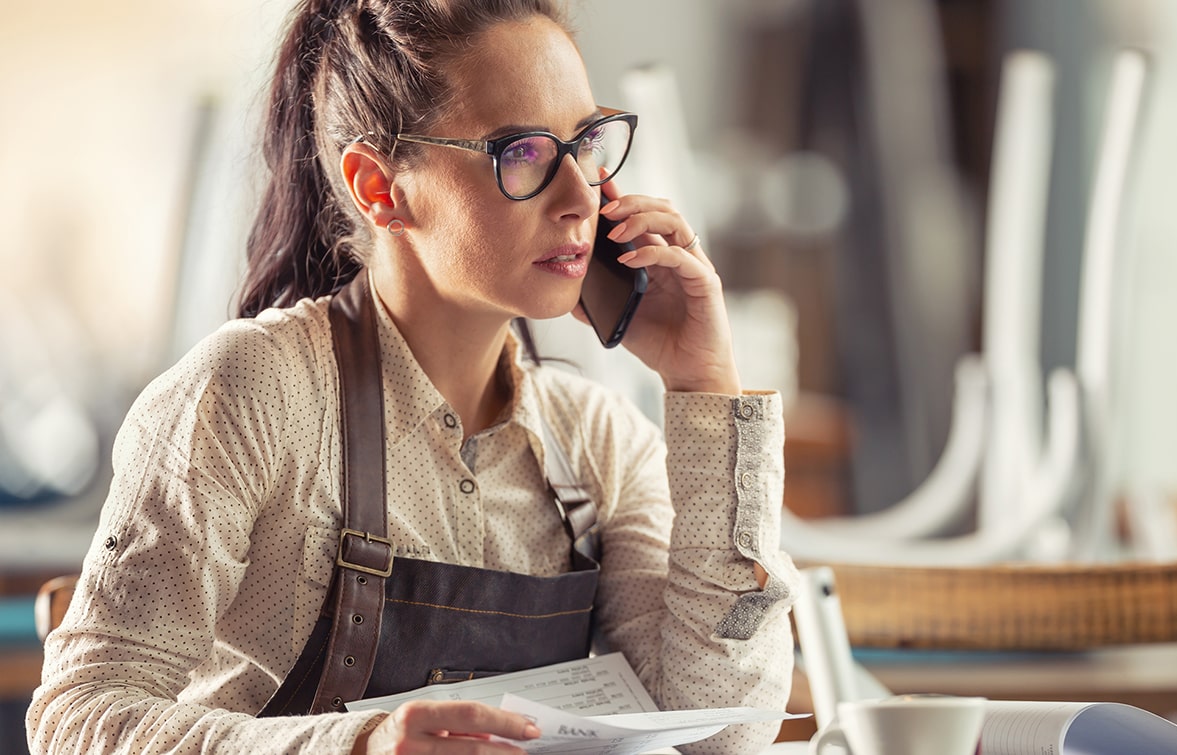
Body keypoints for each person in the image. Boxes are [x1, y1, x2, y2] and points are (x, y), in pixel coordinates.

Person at [26, 0, 799, 752]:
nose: (580, 199)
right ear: (378, 186)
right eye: (522, 153)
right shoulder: (249, 394)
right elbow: (77, 718)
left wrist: (705, 385)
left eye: (587, 142)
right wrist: (359, 745)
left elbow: (724, 727)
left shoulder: (596, 441)